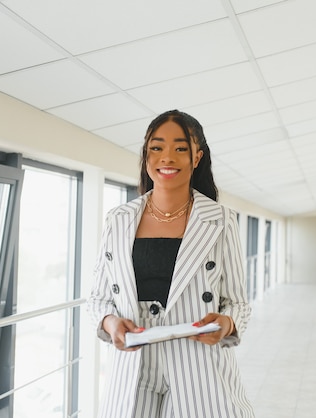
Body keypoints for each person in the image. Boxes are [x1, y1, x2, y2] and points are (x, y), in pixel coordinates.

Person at [87, 110, 255, 417]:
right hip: (134, 360)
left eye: (180, 148)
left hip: (196, 357)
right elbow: (98, 299)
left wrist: (225, 323)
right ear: (146, 154)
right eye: (157, 147)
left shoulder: (220, 220)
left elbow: (238, 302)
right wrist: (111, 323)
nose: (167, 157)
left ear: (197, 157)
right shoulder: (118, 219)